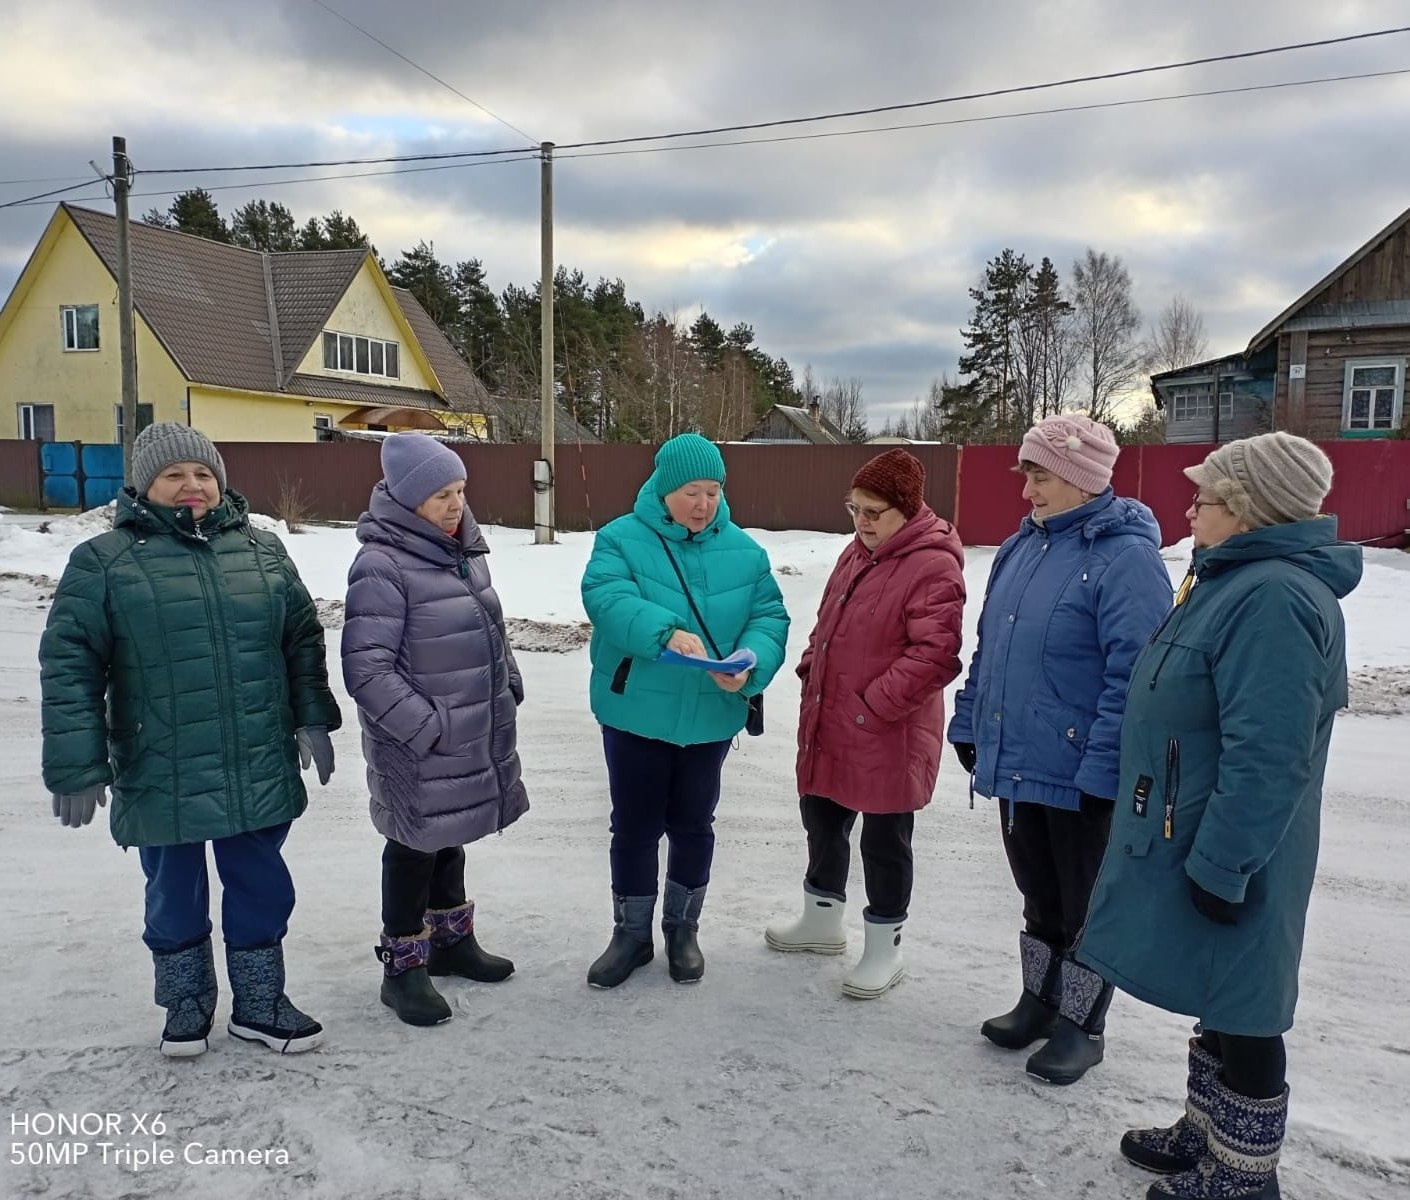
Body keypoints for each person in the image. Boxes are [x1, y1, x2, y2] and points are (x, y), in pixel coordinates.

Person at [1078, 433, 1360, 1199]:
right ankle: (1206, 1132)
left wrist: (1223, 861)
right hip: (1203, 831)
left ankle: (1243, 1174)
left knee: (1247, 1007)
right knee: (1221, 996)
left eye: (1205, 495)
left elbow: (1268, 754)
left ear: (1248, 510)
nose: (1190, 506)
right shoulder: (1234, 582)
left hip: (1238, 845)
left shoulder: (1272, 597)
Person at [40, 422, 340, 1057]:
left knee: (261, 881)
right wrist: (76, 764)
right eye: (174, 474)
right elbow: (70, 663)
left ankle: (260, 1003)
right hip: (159, 760)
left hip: (254, 755)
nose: (192, 485)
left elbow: (301, 642)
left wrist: (313, 716)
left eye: (203, 473)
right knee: (172, 889)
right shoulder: (104, 562)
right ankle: (186, 1003)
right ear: (144, 485)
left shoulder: (263, 552)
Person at [948, 414, 1171, 1084]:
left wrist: (1105, 767)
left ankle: (1082, 1026)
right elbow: (993, 646)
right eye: (1027, 475)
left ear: (1079, 479)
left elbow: (1135, 677)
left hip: (1081, 773)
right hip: (1020, 759)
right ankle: (1039, 1003)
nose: (1027, 491)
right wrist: (969, 721)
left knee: (1085, 909)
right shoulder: (1025, 547)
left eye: (1039, 477)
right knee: (1038, 897)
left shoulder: (1125, 557)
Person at [580, 433, 789, 988]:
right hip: (636, 714)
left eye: (713, 491)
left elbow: (769, 618)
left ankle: (682, 929)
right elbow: (605, 597)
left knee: (694, 824)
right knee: (634, 825)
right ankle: (630, 935)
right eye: (692, 491)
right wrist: (663, 631)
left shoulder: (746, 551)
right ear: (664, 489)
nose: (703, 504)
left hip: (709, 717)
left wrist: (751, 663)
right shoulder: (620, 539)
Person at [765, 448, 966, 999]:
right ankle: (822, 921)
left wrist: (872, 706)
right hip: (833, 717)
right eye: (856, 509)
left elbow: (936, 655)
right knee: (822, 818)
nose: (862, 521)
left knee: (884, 841)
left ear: (907, 508)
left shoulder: (934, 563)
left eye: (874, 512)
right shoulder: (856, 553)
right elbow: (827, 622)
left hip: (889, 730)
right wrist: (812, 668)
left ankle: (884, 949)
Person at [342, 433, 527, 1027]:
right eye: (440, 494)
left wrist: (508, 682)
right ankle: (402, 969)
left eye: (460, 491)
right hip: (418, 744)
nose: (455, 505)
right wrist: (427, 727)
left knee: (451, 837)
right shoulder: (382, 564)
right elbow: (366, 668)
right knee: (412, 847)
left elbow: (489, 628)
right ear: (407, 497)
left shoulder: (462, 552)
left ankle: (450, 942)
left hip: (466, 730)